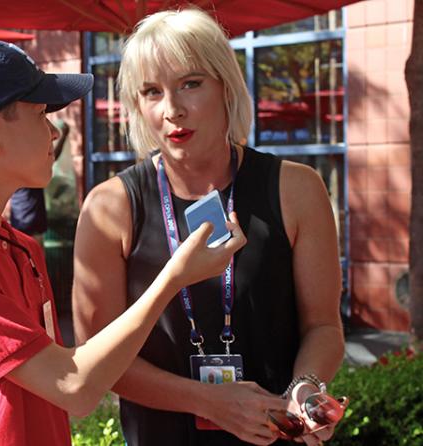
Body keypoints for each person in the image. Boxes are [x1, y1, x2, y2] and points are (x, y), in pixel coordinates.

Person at [0, 39, 247, 445]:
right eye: (41, 114)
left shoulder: (18, 246)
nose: (54, 131)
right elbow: (75, 387)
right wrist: (174, 278)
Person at [72, 8, 345, 446]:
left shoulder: (296, 189)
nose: (172, 109)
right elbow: (98, 359)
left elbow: (324, 327)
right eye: (151, 92)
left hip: (276, 436)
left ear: (225, 87)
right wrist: (206, 400)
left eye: (190, 83)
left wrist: (306, 389)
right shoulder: (109, 207)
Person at [7, 122, 70, 245]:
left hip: (26, 220)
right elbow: (52, 158)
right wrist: (64, 137)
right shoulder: (24, 164)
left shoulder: (18, 162)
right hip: (26, 222)